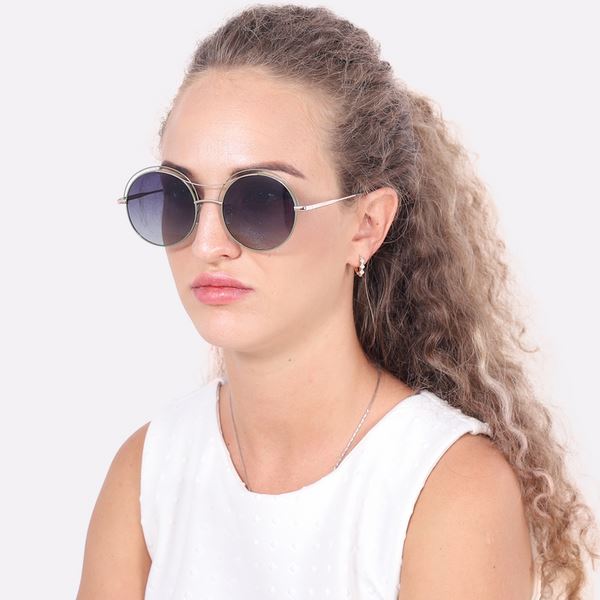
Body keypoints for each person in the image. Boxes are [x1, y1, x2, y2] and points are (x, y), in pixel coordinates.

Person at [77, 5, 599, 599]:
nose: (207, 243)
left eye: (260, 201)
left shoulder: (447, 488)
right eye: (178, 197)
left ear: (367, 225)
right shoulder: (147, 473)